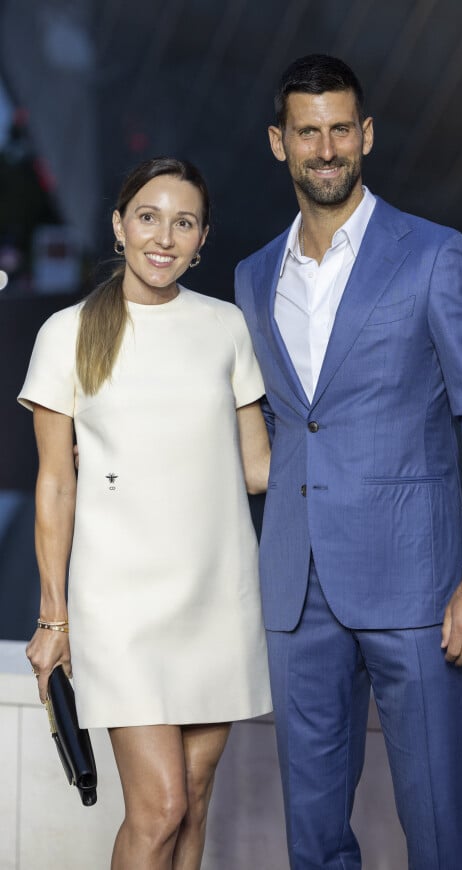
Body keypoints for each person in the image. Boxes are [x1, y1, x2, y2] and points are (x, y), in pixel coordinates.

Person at [235, 55, 462, 869]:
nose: (324, 148)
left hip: (420, 587)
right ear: (278, 143)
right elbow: (275, 428)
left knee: (436, 834)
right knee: (313, 841)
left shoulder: (436, 256)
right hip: (297, 591)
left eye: (338, 129)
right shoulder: (254, 278)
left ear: (365, 135)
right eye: (305, 131)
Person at [20, 156, 272, 870]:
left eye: (184, 222)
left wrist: (364, 440)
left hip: (217, 598)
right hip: (122, 609)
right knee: (159, 806)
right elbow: (55, 486)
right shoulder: (67, 334)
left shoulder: (227, 327)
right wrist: (52, 616)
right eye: (149, 216)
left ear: (202, 239)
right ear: (120, 227)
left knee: (193, 798)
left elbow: (258, 468)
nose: (165, 236)